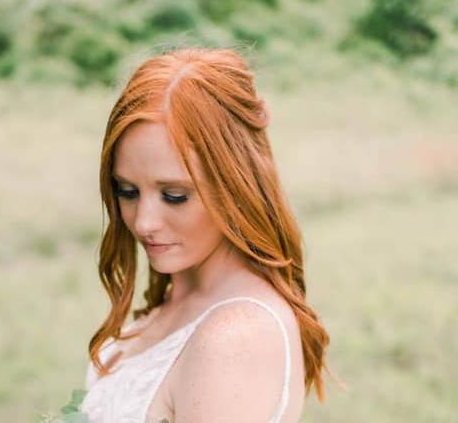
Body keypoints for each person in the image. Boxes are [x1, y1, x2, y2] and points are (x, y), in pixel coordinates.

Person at [79, 47, 330, 423]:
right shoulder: (178, 301)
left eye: (175, 196)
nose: (144, 222)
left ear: (235, 183)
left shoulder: (234, 338)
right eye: (127, 191)